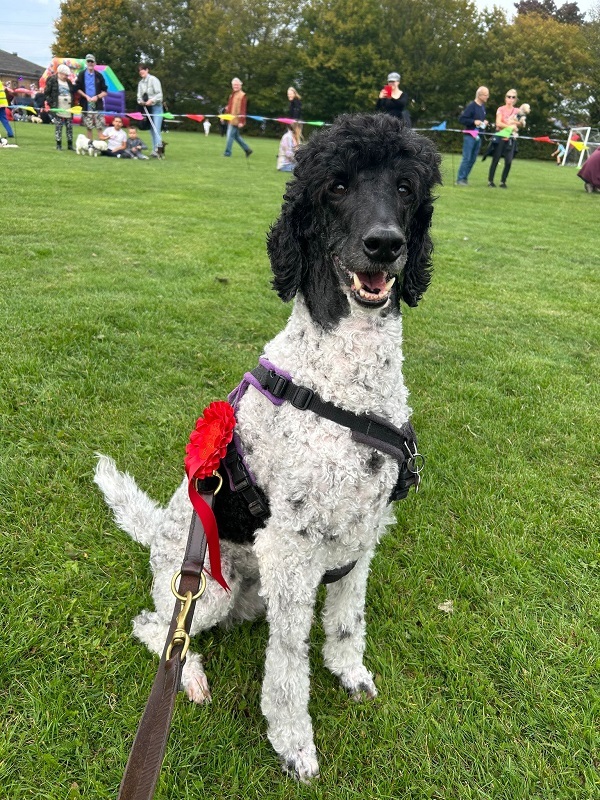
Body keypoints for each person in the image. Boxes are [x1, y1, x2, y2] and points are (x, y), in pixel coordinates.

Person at [487, 89, 526, 189]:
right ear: (505, 98)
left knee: (508, 161)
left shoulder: (517, 111)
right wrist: (510, 126)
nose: (510, 99)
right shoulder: (501, 109)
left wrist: (515, 123)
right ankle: (490, 181)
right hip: (500, 136)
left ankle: (503, 181)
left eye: (513, 97)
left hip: (511, 138)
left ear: (515, 99)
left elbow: (522, 123)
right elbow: (498, 123)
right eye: (509, 96)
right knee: (496, 159)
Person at [456, 86, 489, 186]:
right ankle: (460, 179)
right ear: (479, 95)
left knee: (473, 159)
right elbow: (462, 119)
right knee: (467, 158)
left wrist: (483, 122)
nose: (487, 97)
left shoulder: (482, 107)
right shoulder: (471, 106)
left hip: (478, 136)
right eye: (486, 95)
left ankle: (465, 178)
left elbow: (480, 122)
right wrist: (474, 121)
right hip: (469, 136)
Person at [75, 54, 107, 141]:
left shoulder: (99, 76)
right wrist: (86, 96)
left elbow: (105, 92)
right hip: (86, 104)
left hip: (97, 104)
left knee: (99, 126)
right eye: (88, 61)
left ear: (95, 63)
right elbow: (77, 89)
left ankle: (101, 145)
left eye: (92, 61)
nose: (90, 63)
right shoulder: (81, 74)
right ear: (86, 62)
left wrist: (97, 97)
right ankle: (90, 145)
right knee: (89, 126)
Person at [44, 63, 76, 150]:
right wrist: (51, 103)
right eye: (65, 75)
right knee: (59, 126)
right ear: (60, 73)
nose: (66, 77)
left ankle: (70, 145)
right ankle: (58, 144)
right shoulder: (52, 80)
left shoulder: (68, 82)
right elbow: (46, 93)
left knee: (69, 126)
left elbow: (72, 92)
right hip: (58, 107)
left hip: (68, 107)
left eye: (67, 75)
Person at [137, 63, 164, 157]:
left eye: (142, 69)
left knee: (156, 129)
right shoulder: (140, 83)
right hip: (147, 109)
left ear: (147, 70)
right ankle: (154, 150)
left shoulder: (154, 79)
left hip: (156, 107)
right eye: (139, 70)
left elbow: (159, 95)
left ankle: (159, 150)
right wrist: (141, 101)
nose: (141, 71)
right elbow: (139, 96)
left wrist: (152, 100)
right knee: (151, 130)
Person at [223, 77, 253, 158]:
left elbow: (243, 109)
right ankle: (247, 150)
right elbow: (229, 107)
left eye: (237, 85)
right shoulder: (232, 95)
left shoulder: (242, 95)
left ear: (240, 85)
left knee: (229, 136)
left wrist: (241, 121)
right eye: (234, 85)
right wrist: (224, 116)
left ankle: (227, 153)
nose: (235, 86)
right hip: (231, 119)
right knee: (236, 136)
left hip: (236, 120)